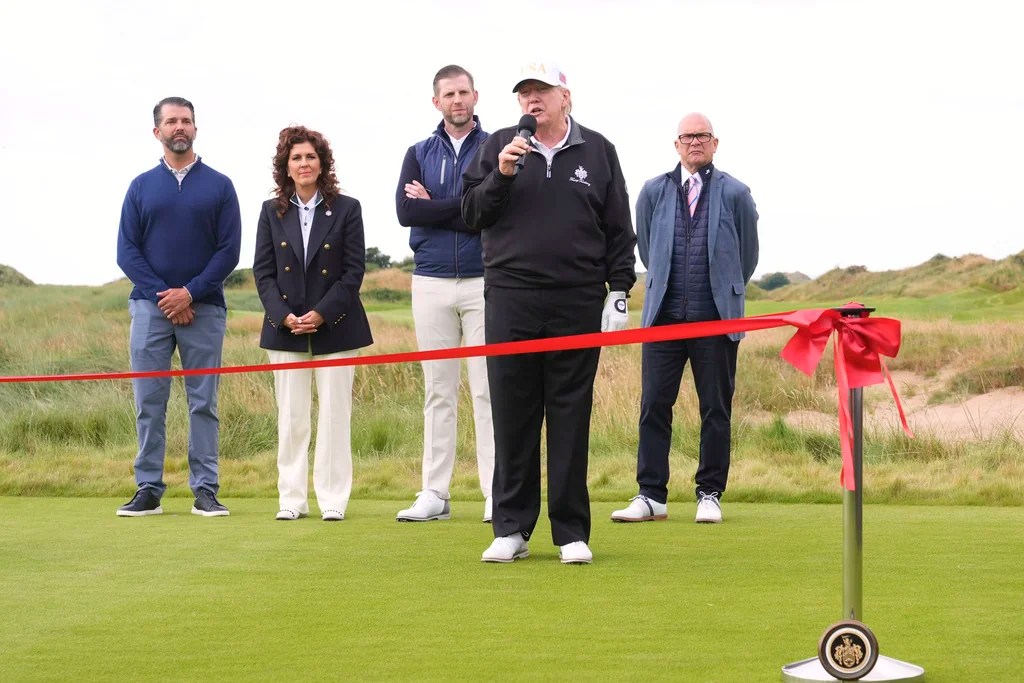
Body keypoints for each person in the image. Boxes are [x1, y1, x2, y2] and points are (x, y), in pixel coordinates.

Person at [462, 61, 636, 564]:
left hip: (577, 298)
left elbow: (617, 226)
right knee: (513, 414)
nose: (531, 102)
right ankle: (511, 528)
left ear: (565, 96)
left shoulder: (598, 150)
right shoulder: (499, 145)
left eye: (541, 92)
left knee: (569, 412)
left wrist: (619, 289)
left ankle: (571, 531)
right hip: (511, 296)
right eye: (524, 94)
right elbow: (473, 213)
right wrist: (502, 173)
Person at [611, 113, 759, 525]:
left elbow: (747, 257)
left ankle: (709, 492)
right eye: (687, 136)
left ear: (715, 143)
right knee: (654, 405)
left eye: (702, 136)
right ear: (676, 144)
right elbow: (646, 249)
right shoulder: (654, 191)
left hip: (715, 320)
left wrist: (723, 291)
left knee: (715, 408)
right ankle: (651, 495)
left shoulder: (735, 192)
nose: (695, 142)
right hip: (663, 317)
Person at [115, 96, 241, 517]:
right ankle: (148, 488)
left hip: (204, 308)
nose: (179, 127)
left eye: (186, 120)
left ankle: (205, 488)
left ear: (195, 128)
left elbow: (229, 251)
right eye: (171, 122)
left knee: (203, 402)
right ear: (158, 132)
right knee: (149, 401)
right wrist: (166, 298)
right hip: (150, 309)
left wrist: (190, 293)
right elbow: (127, 252)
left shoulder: (220, 185)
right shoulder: (140, 186)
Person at [253, 126, 373, 522]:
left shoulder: (347, 208)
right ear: (285, 167)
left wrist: (322, 312)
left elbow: (353, 272)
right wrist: (282, 315)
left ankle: (333, 498)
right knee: (290, 417)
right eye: (296, 158)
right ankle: (291, 497)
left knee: (336, 415)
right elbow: (263, 272)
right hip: (285, 327)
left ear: (322, 163)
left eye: (310, 157)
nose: (304, 164)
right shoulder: (271, 212)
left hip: (336, 325)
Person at [394, 65, 494, 523]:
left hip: (483, 280)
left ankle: (498, 492)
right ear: (436, 101)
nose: (457, 100)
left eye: (463, 92)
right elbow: (404, 211)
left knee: (488, 389)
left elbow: (493, 212)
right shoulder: (417, 152)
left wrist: (433, 205)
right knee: (438, 391)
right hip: (431, 279)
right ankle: (435, 492)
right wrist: (465, 208)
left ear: (475, 96)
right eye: (448, 94)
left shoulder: (495, 148)